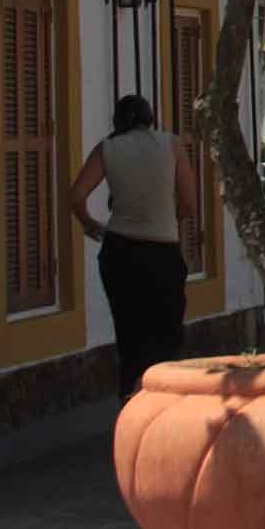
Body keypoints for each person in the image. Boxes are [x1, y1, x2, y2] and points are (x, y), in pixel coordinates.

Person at [67, 93, 196, 395]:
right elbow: (189, 203)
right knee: (167, 337)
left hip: (120, 253)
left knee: (130, 337)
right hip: (162, 252)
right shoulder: (172, 145)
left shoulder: (107, 148)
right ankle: (162, 409)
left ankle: (130, 407)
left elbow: (75, 196)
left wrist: (89, 224)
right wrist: (165, 218)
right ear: (150, 118)